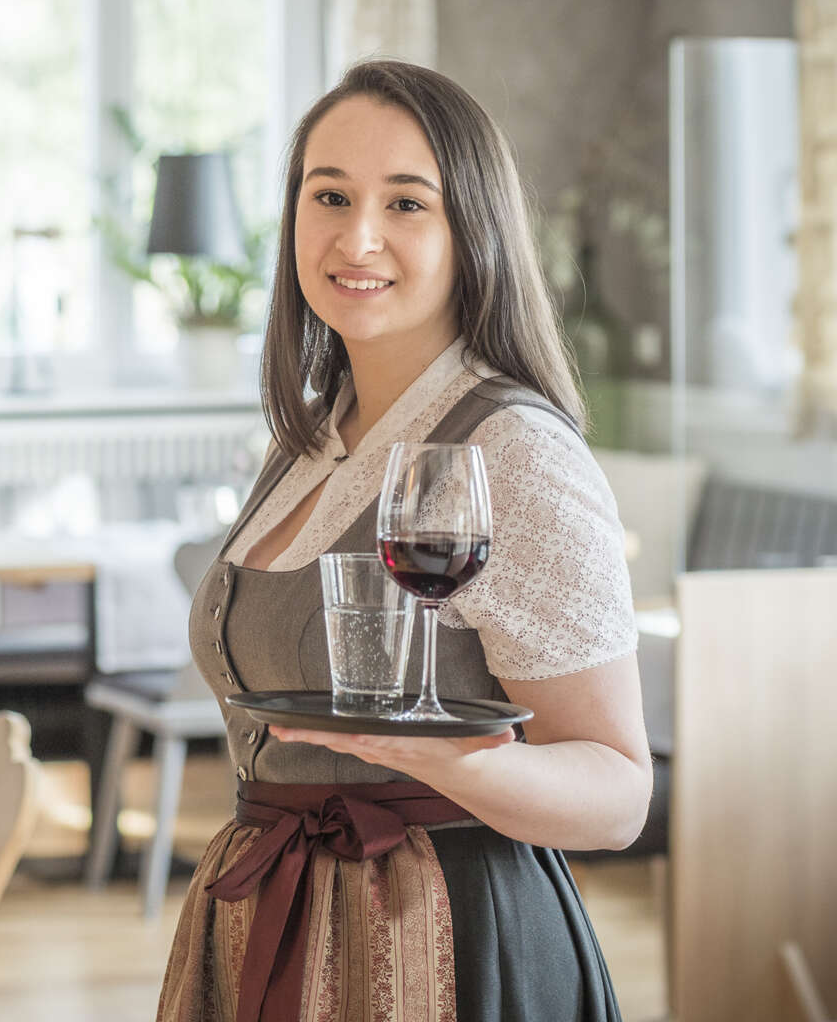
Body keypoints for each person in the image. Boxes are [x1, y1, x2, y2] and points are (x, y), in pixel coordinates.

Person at [158, 60, 650, 1022]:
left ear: (474, 232)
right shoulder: (310, 435)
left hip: (438, 939)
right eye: (329, 195)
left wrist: (441, 758)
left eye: (407, 203)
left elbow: (617, 793)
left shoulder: (512, 450)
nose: (358, 236)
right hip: (277, 912)